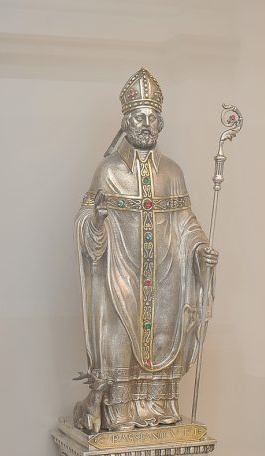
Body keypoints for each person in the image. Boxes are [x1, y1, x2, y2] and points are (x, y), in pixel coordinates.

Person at [74, 68, 218, 432]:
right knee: (119, 338)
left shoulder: (172, 173)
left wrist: (200, 250)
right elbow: (85, 223)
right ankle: (119, 410)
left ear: (161, 123)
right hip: (121, 275)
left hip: (166, 275)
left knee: (165, 334)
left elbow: (186, 223)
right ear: (126, 122)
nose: (147, 125)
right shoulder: (108, 171)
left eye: (153, 118)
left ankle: (158, 405)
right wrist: (97, 223)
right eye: (140, 117)